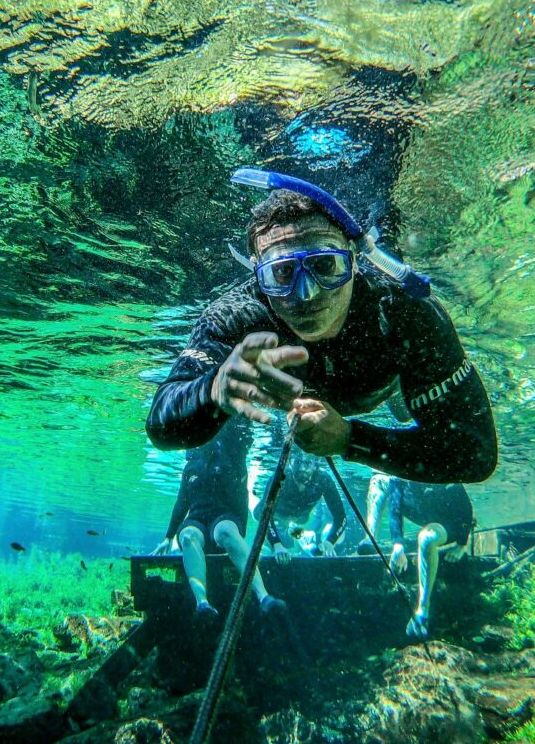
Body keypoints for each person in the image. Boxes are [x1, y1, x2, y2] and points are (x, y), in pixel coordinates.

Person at [145, 176, 498, 488]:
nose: (306, 294)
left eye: (325, 265)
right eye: (282, 273)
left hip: (386, 386)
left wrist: (350, 439)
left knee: (406, 409)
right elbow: (161, 425)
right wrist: (212, 388)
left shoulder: (404, 311)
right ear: (257, 274)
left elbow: (476, 453)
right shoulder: (235, 317)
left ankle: (399, 395)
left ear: (354, 260)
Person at [152, 425, 287, 622]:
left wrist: (240, 528)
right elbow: (182, 502)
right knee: (188, 537)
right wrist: (168, 537)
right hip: (196, 519)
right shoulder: (190, 467)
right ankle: (202, 604)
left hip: (224, 517)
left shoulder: (231, 457)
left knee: (226, 531)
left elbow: (242, 493)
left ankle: (264, 597)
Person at [363, 475, 474, 639]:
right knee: (378, 480)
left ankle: (423, 609)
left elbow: (465, 507)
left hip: (446, 521)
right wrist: (398, 544)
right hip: (419, 507)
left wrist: (462, 543)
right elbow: (395, 504)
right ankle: (370, 538)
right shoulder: (400, 468)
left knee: (426, 538)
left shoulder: (441, 468)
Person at [255, 451, 346, 562]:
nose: (302, 468)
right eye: (297, 462)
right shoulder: (280, 478)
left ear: (315, 465)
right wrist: (277, 545)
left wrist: (330, 542)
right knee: (259, 517)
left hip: (299, 519)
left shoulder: (323, 480)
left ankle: (296, 532)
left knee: (292, 528)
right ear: (290, 462)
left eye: (307, 463)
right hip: (271, 517)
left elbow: (341, 517)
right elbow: (265, 514)